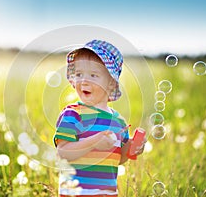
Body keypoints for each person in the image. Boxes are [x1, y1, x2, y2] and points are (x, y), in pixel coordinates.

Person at [53, 40, 145, 197]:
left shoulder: (118, 122)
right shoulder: (73, 115)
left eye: (93, 75)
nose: (84, 80)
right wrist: (93, 142)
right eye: (79, 74)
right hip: (75, 193)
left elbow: (118, 159)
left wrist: (131, 148)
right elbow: (63, 153)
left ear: (110, 84)